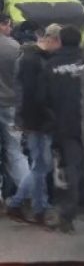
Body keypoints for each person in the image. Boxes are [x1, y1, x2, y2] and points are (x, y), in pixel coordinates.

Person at [4, 24, 60, 225]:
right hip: (35, 120)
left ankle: (28, 204)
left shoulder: (31, 57)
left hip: (31, 118)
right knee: (39, 164)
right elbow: (32, 95)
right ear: (52, 39)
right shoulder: (28, 58)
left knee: (39, 164)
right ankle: (30, 204)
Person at [45, 25, 84, 232]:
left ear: (60, 41)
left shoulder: (52, 64)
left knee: (69, 166)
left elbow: (42, 96)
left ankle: (68, 212)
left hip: (64, 123)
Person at [0, 13, 30, 200]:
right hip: (11, 106)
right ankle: (29, 193)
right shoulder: (15, 47)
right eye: (8, 25)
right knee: (15, 151)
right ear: (3, 24)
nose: (10, 29)